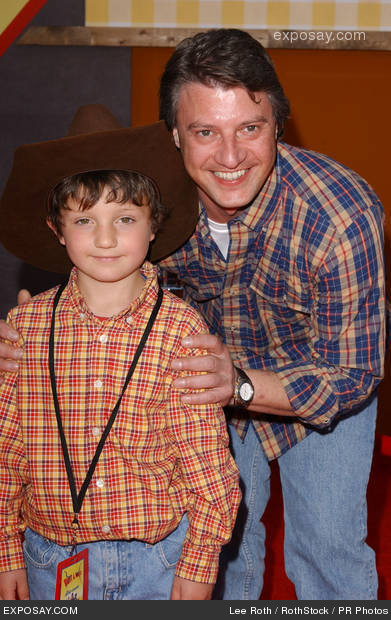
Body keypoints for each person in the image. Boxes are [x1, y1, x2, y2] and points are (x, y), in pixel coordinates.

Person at [0, 28, 386, 600]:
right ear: (174, 135)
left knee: (326, 544)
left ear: (279, 125)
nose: (229, 158)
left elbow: (352, 373)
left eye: (249, 129)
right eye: (205, 132)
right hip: (197, 382)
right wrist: (33, 326)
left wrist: (245, 386)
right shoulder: (145, 195)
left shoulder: (340, 216)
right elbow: (95, 248)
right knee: (228, 554)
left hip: (316, 376)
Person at [0, 105, 240, 601]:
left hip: (156, 559)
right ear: (57, 229)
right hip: (49, 559)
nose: (106, 238)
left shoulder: (180, 329)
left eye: (125, 218)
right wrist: (5, 549)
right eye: (85, 220)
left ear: (154, 226)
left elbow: (205, 461)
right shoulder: (25, 327)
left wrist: (199, 562)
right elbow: (6, 451)